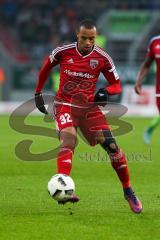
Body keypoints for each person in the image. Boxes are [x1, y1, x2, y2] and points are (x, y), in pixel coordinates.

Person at [35, 19, 142, 213]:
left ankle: (128, 191)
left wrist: (106, 91)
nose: (88, 42)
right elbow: (45, 68)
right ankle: (63, 188)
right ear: (78, 35)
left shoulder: (102, 57)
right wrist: (38, 93)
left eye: (92, 38)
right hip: (64, 104)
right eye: (84, 38)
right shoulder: (63, 52)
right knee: (69, 140)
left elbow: (117, 85)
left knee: (112, 146)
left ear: (95, 37)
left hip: (88, 108)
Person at [135, 35, 160, 144]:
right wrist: (139, 81)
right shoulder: (155, 42)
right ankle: (149, 130)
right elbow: (147, 64)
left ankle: (149, 130)